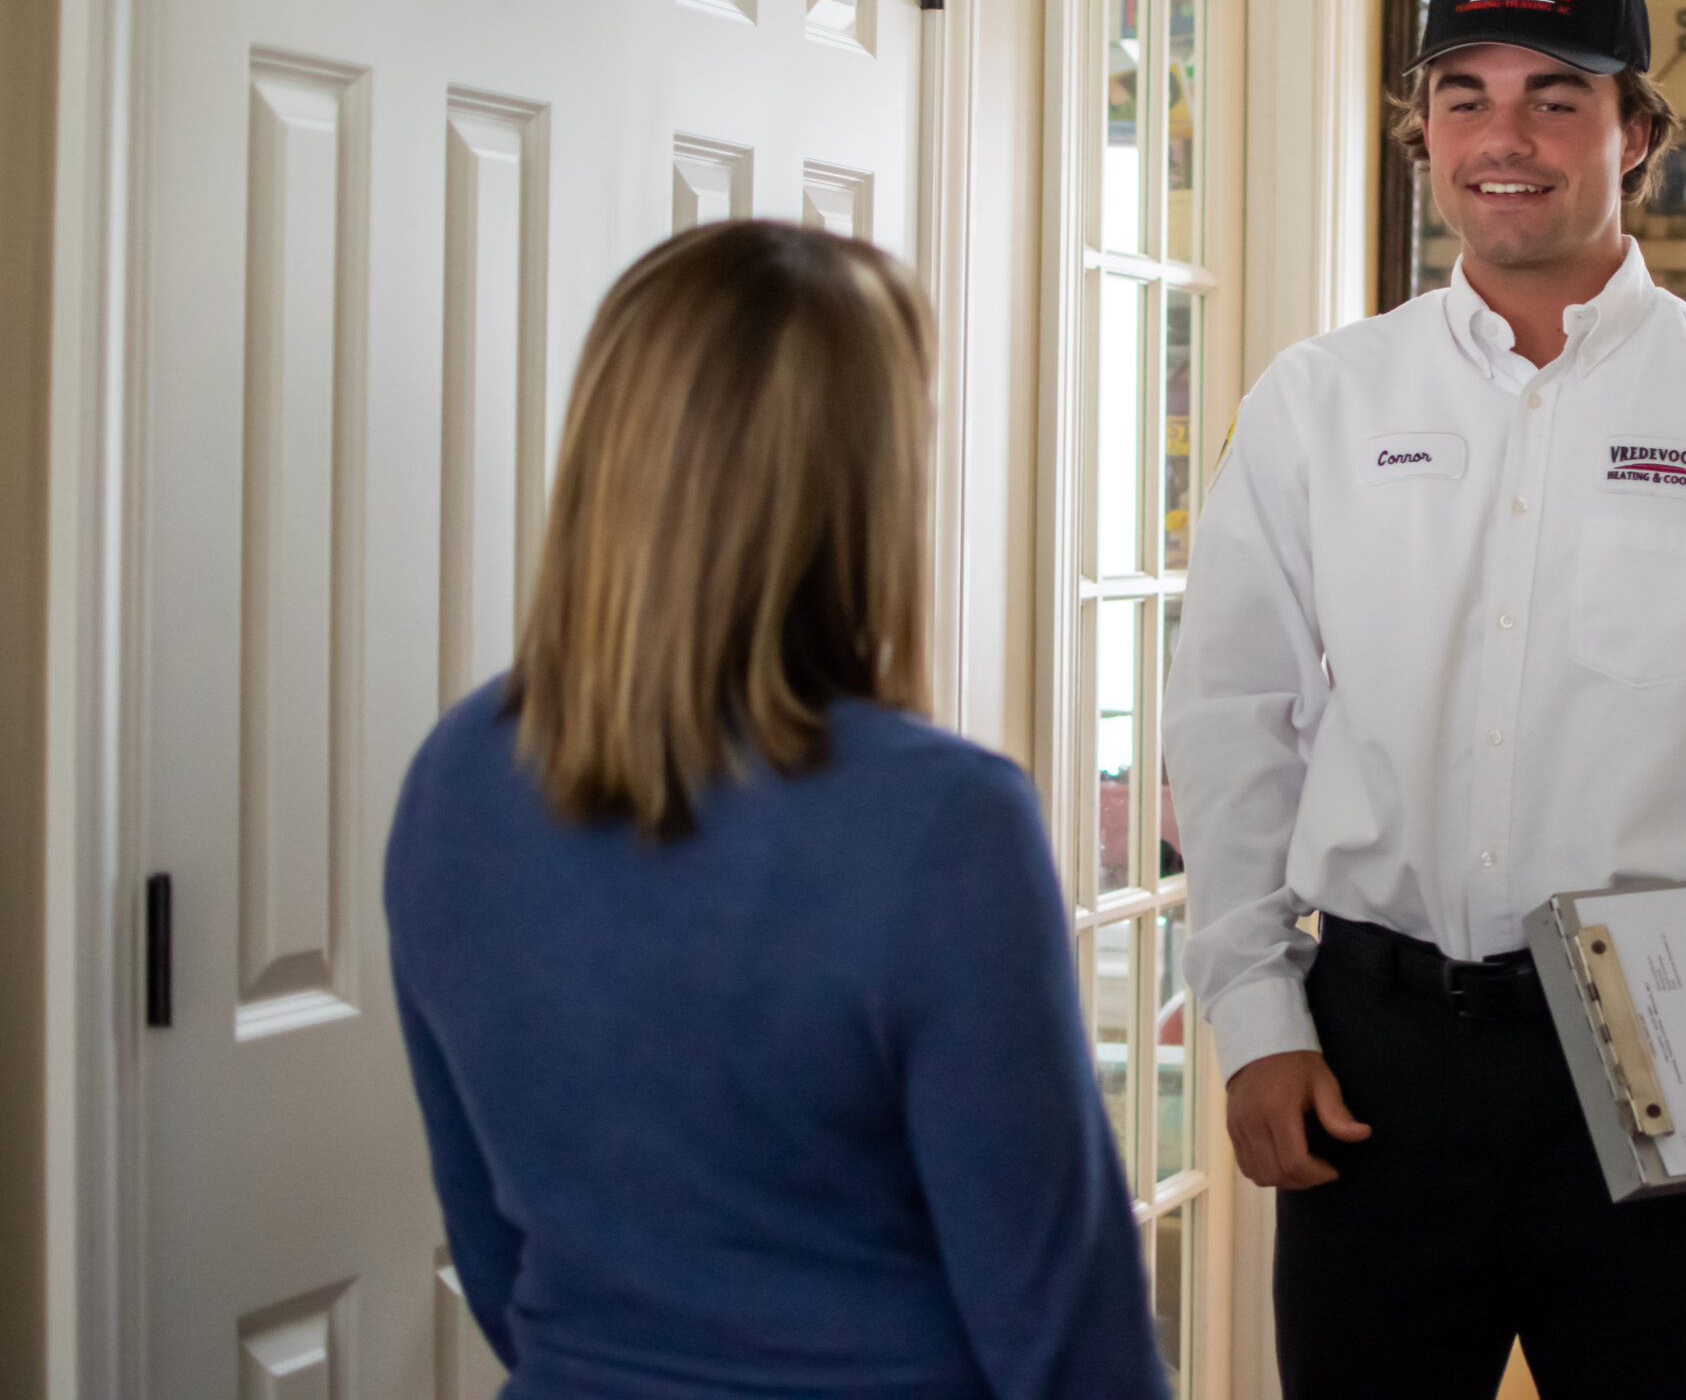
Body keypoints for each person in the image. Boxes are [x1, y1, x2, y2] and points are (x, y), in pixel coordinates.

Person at [1164, 0, 1686, 1398]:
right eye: (1466, 96)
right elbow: (1233, 720)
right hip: (1373, 1059)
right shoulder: (1320, 401)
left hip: (1666, 1052)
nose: (1503, 138)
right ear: (1423, 132)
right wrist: (1251, 1011)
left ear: (1636, 130)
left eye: (1555, 97)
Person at [387, 221, 1168, 1400]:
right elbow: (1066, 1337)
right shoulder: (943, 823)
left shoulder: (457, 773)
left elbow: (496, 1259)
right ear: (866, 485)